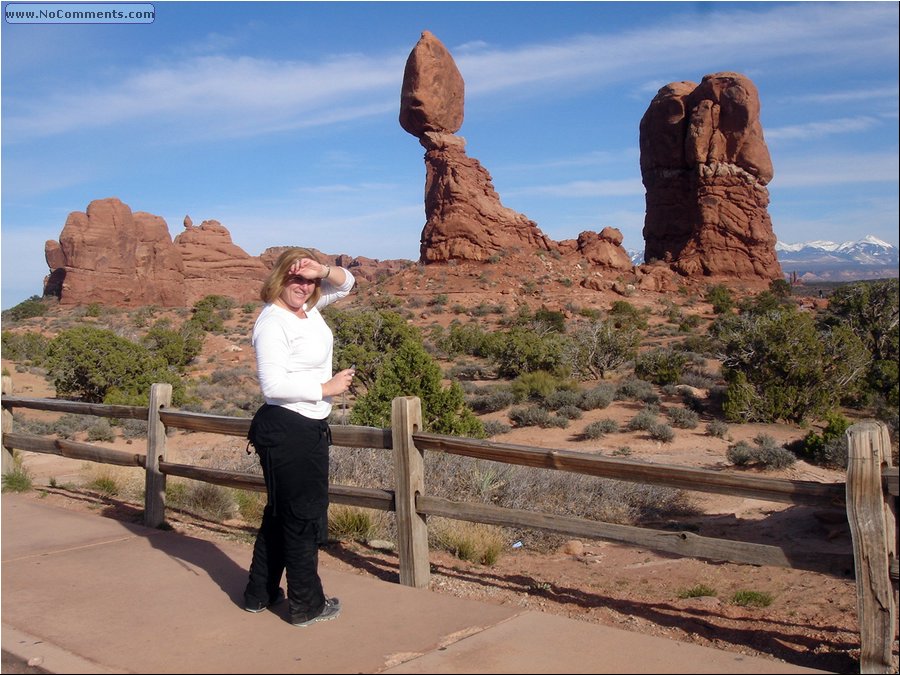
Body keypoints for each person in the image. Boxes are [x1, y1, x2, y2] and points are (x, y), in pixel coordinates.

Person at [243, 247, 355, 627]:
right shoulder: (273, 322)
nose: (304, 286)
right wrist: (327, 387)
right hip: (288, 428)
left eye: (309, 280)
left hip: (304, 426)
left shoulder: (309, 310)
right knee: (302, 518)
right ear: (279, 276)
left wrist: (322, 268)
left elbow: (349, 284)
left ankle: (259, 593)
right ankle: (307, 604)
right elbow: (273, 386)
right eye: (296, 277)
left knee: (281, 513)